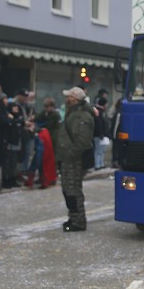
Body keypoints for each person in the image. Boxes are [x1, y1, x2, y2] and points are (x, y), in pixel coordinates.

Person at [57, 87, 95, 232]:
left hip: (74, 159)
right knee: (68, 189)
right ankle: (73, 217)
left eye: (69, 97)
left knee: (73, 190)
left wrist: (69, 155)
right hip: (68, 158)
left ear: (76, 99)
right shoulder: (73, 113)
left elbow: (82, 141)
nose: (67, 99)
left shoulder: (82, 116)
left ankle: (78, 221)